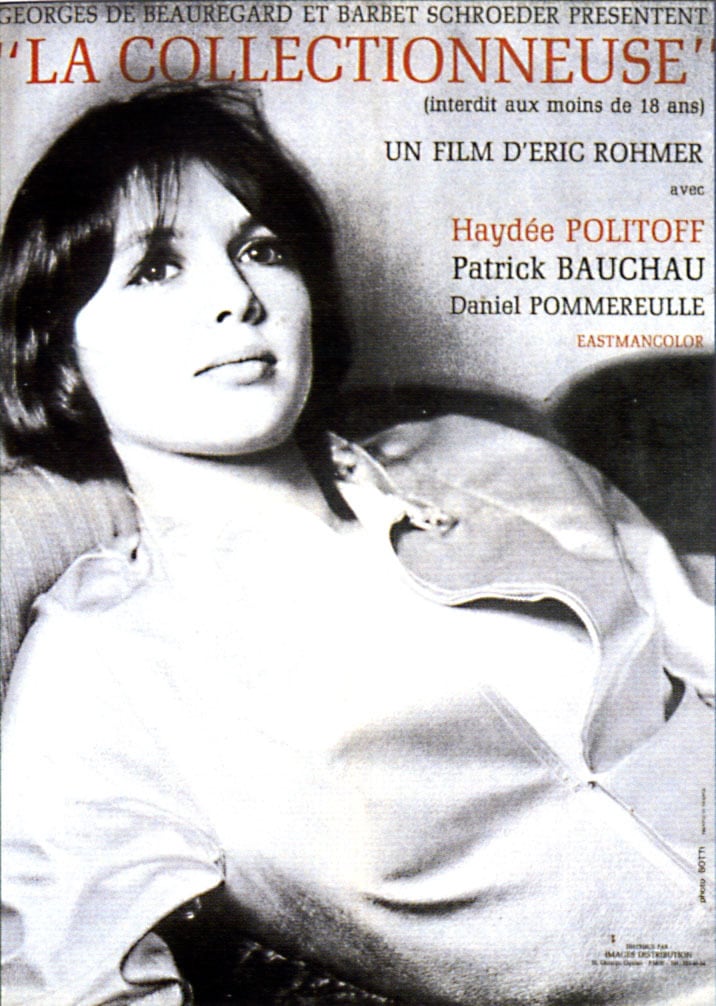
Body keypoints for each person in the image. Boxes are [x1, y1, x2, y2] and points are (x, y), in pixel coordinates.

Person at [0, 85, 712, 1006]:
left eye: (261, 250)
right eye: (155, 268)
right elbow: (63, 979)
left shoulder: (483, 456)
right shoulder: (106, 662)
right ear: (59, 353)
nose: (237, 298)